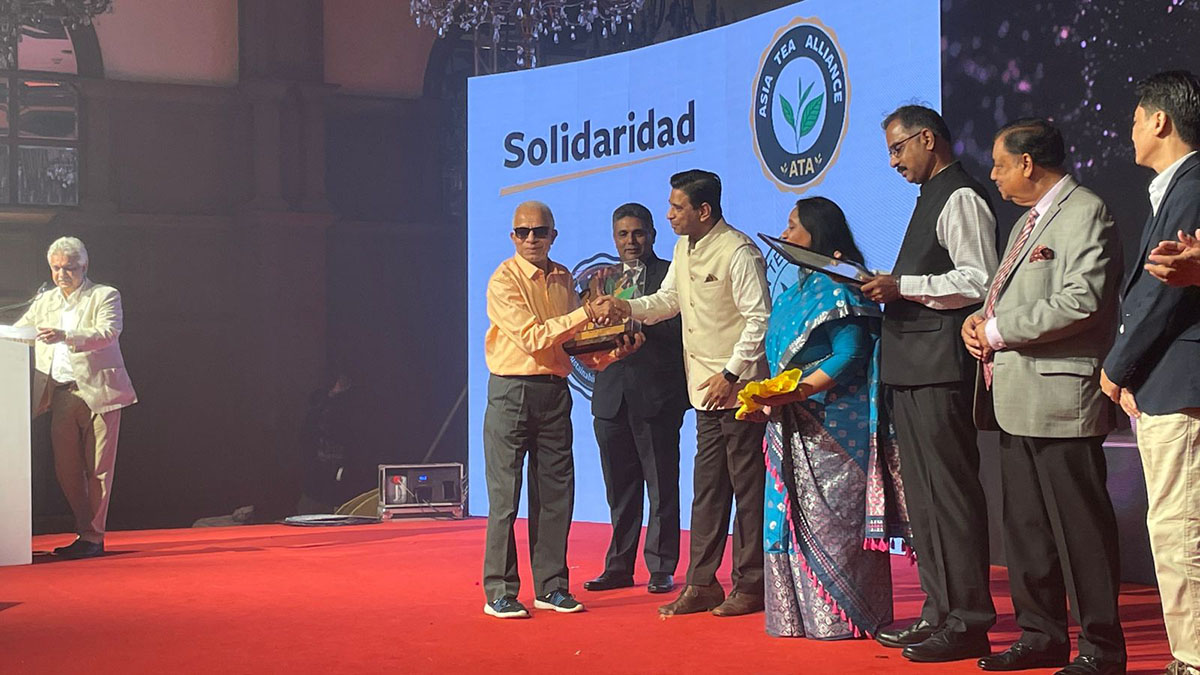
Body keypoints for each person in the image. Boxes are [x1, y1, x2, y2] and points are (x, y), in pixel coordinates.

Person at [963, 119, 1126, 675]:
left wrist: (997, 330)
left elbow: (1082, 300)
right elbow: (1010, 300)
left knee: (1081, 532)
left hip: (1062, 400)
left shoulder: (1087, 212)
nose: (993, 175)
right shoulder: (1025, 222)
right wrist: (978, 321)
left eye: (999, 165)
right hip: (1014, 399)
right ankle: (1041, 636)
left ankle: (1101, 650)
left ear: (1028, 163)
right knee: (1027, 530)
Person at [595, 169, 771, 618]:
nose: (670, 214)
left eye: (677, 207)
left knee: (748, 492)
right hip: (704, 394)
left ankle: (751, 584)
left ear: (704, 210)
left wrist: (731, 374)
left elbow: (759, 320)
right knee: (707, 492)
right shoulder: (682, 248)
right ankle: (702, 582)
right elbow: (667, 300)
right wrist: (626, 306)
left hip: (740, 393)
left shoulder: (738, 251)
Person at [869, 105, 1000, 662]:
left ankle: (969, 620)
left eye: (898, 149)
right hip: (913, 368)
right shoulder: (929, 196)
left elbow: (979, 280)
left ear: (928, 139)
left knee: (950, 497)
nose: (894, 162)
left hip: (942, 369)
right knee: (924, 502)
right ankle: (939, 611)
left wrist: (901, 286)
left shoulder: (960, 195)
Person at [746, 197, 909, 640]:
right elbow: (782, 362)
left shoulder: (841, 285)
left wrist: (798, 390)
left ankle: (842, 618)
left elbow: (851, 353)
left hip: (835, 427)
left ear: (818, 234)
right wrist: (768, 397)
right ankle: (796, 617)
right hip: (791, 422)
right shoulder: (794, 293)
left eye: (793, 225)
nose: (785, 234)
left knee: (832, 520)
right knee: (784, 519)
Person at [481, 200, 640, 619]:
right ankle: (499, 590)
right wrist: (586, 312)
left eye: (539, 231)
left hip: (554, 391)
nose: (531, 239)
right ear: (513, 237)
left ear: (553, 234)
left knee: (556, 495)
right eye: (523, 232)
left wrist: (612, 353)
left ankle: (551, 586)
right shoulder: (504, 279)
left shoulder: (564, 277)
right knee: (504, 497)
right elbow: (534, 338)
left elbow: (571, 344)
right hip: (511, 390)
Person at [1101, 70, 1200, 675]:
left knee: (1178, 529)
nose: (1130, 130)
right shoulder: (1176, 187)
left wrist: (1116, 369)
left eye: (1136, 119)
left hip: (1179, 382)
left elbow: (1164, 294)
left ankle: (1191, 659)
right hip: (1165, 382)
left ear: (1160, 120)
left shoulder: (1192, 185)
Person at [584, 203, 689, 595]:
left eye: (639, 233)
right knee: (620, 488)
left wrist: (638, 326)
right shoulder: (602, 280)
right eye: (623, 234)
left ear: (653, 235)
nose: (631, 241)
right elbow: (585, 334)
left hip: (658, 395)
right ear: (614, 238)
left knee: (662, 486)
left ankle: (661, 566)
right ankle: (618, 566)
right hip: (610, 397)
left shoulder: (672, 276)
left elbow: (684, 328)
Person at [15, 236, 137, 559]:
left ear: (84, 266)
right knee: (66, 469)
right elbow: (22, 332)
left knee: (98, 469)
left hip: (99, 391)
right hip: (62, 393)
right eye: (56, 268)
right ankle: (85, 530)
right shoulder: (45, 301)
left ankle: (93, 537)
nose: (61, 274)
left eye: (68, 268)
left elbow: (108, 332)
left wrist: (66, 335)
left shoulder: (104, 295)